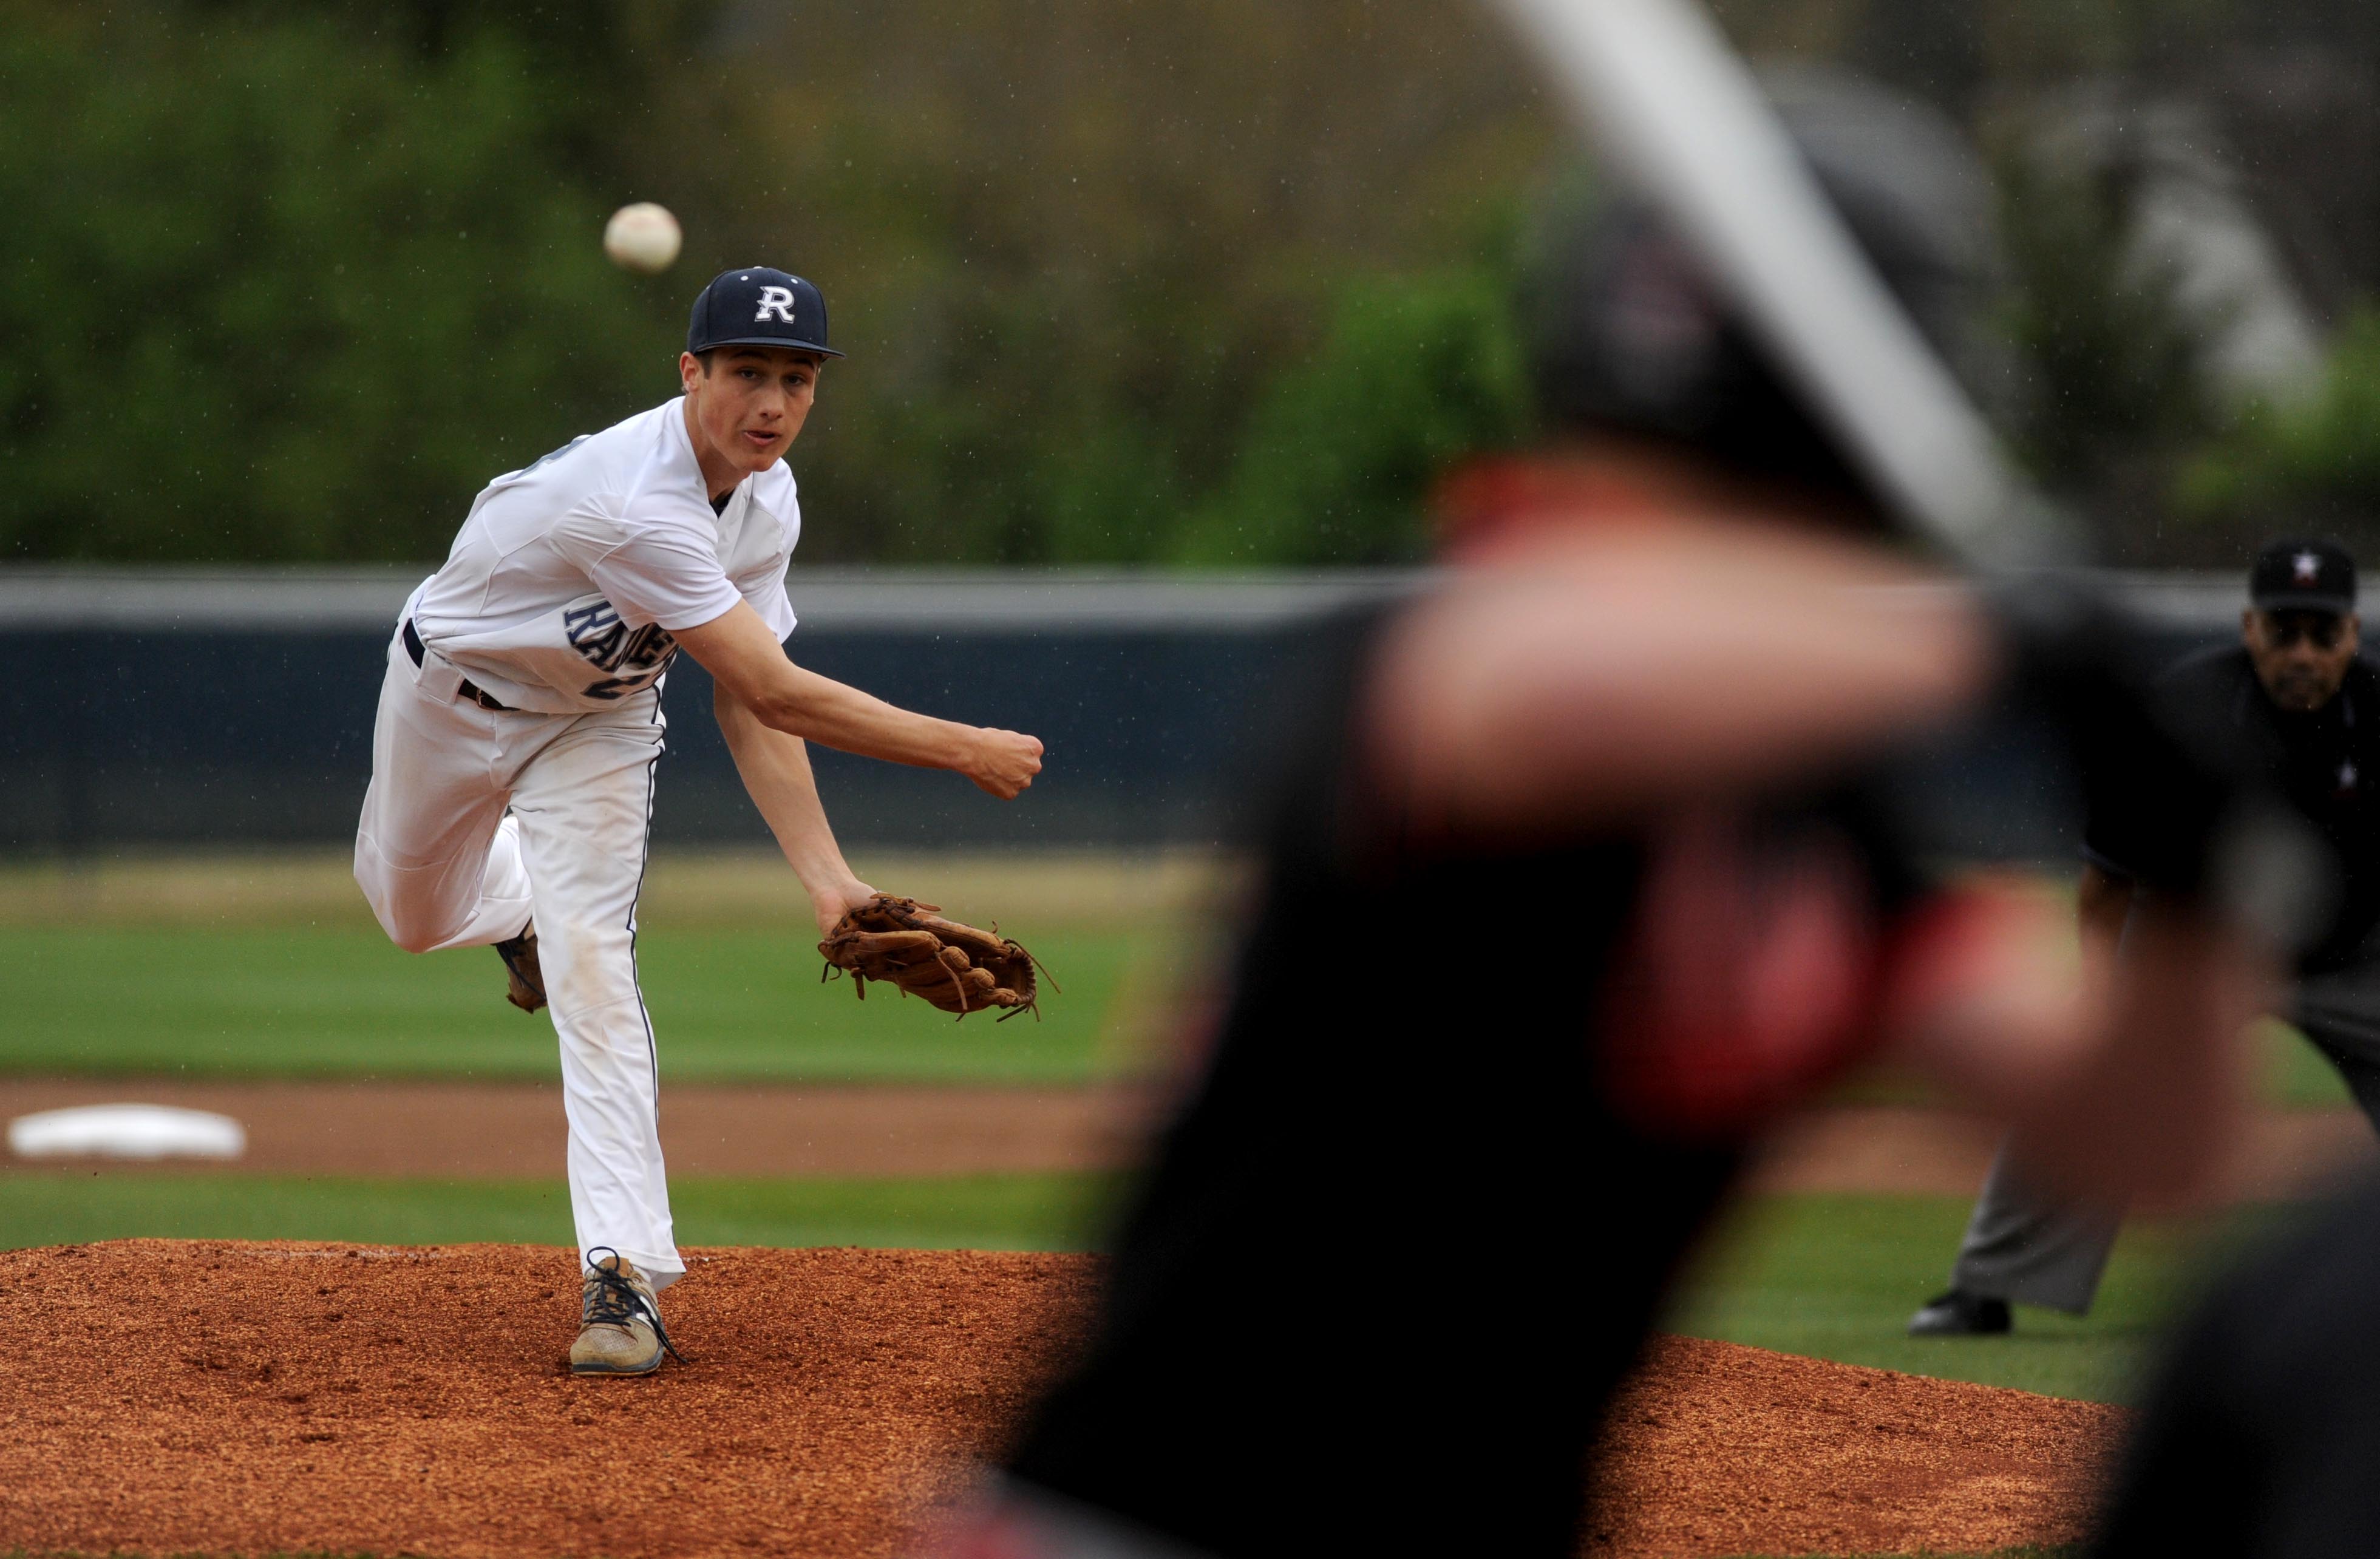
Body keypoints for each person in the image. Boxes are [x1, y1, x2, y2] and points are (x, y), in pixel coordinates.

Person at [926, 70, 2279, 1559]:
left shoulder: (1814, 815)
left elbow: (2146, 1145)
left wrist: (2201, 885)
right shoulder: (1440, 655)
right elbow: (1555, 690)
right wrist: (2001, 646)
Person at [352, 267, 1044, 1376]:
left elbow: (744, 701)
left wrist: (830, 880)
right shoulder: (633, 499)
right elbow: (777, 690)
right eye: (747, 373)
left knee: (596, 976)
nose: (771, 401)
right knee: (411, 917)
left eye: (797, 378)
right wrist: (961, 747)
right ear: (692, 374)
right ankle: (510, 905)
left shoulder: (770, 503)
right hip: (450, 698)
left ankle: (623, 1280)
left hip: (601, 726)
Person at [1909, 537, 2380, 1337]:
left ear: (2350, 639)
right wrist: (2104, 996)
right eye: (2284, 630)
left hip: (2355, 955)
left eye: (2322, 633)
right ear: (2249, 629)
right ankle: (1987, 1287)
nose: (2302, 651)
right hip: (2205, 949)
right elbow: (2108, 879)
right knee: (2092, 1082)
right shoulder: (2184, 714)